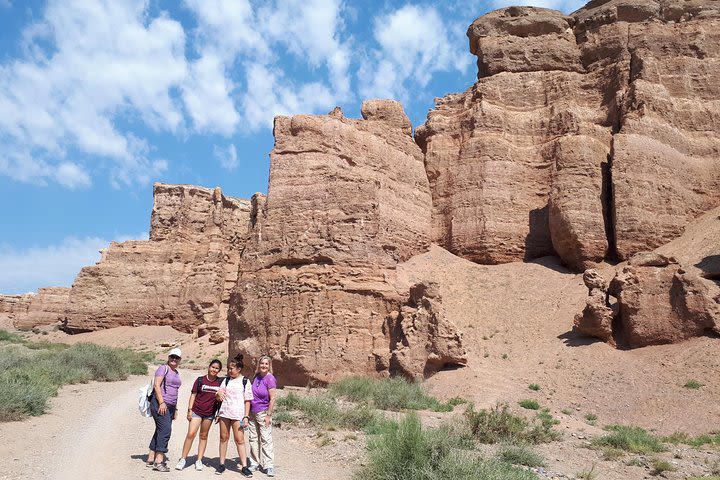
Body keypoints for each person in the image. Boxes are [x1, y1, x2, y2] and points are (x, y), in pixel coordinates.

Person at [175, 359, 224, 471]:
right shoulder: (200, 380)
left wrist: (219, 413)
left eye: (217, 368)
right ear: (209, 367)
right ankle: (183, 459)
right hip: (197, 411)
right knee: (191, 434)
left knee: (203, 436)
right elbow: (193, 395)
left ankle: (199, 460)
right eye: (213, 367)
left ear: (219, 370)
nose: (214, 370)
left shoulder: (220, 382)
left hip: (210, 413)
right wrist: (189, 410)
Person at [215, 353, 253, 476]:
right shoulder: (226, 380)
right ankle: (221, 464)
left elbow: (248, 400)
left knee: (239, 440)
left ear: (239, 369)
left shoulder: (245, 381)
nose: (229, 371)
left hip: (238, 415)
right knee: (223, 438)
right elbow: (219, 393)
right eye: (228, 368)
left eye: (231, 369)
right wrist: (218, 395)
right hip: (225, 413)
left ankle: (244, 466)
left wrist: (246, 416)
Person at [147, 347, 183, 472]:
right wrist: (161, 402)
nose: (174, 359)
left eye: (177, 358)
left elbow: (176, 391)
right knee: (165, 431)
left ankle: (151, 458)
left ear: (180, 360)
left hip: (171, 406)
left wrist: (176, 408)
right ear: (168, 358)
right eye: (172, 357)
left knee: (160, 430)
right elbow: (157, 385)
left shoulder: (176, 373)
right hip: (160, 404)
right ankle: (159, 462)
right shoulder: (163, 368)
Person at [247, 355, 277, 477]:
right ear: (259, 365)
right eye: (262, 363)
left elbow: (273, 397)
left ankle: (268, 465)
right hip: (252, 412)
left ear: (269, 366)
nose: (264, 366)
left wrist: (269, 415)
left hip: (263, 412)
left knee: (266, 439)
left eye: (266, 364)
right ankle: (254, 462)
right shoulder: (256, 377)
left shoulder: (270, 378)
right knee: (253, 438)